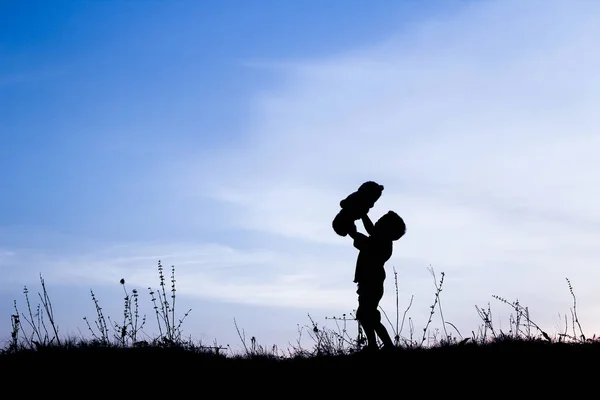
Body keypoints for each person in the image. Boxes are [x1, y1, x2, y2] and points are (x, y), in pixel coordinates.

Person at [347, 211, 406, 352]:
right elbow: (371, 230)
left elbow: (364, 239)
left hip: (372, 282)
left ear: (387, 230)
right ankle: (375, 345)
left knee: (368, 315)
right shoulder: (381, 240)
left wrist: (352, 230)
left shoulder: (380, 244)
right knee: (366, 314)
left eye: (380, 222)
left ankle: (384, 345)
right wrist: (362, 214)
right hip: (370, 281)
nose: (376, 223)